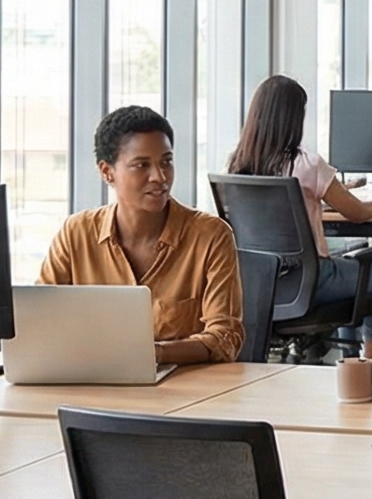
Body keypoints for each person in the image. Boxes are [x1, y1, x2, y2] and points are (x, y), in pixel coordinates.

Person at [40, 106, 244, 365]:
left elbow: (225, 338)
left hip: (183, 390)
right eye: (141, 165)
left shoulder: (210, 236)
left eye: (166, 162)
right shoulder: (76, 233)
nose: (159, 177)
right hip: (92, 381)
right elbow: (40, 320)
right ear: (106, 172)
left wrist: (155, 354)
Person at [227, 74, 372, 365]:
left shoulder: (237, 165)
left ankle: (349, 356)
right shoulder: (308, 164)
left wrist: (330, 191)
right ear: (294, 118)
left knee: (349, 261)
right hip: (310, 282)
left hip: (259, 286)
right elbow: (356, 213)